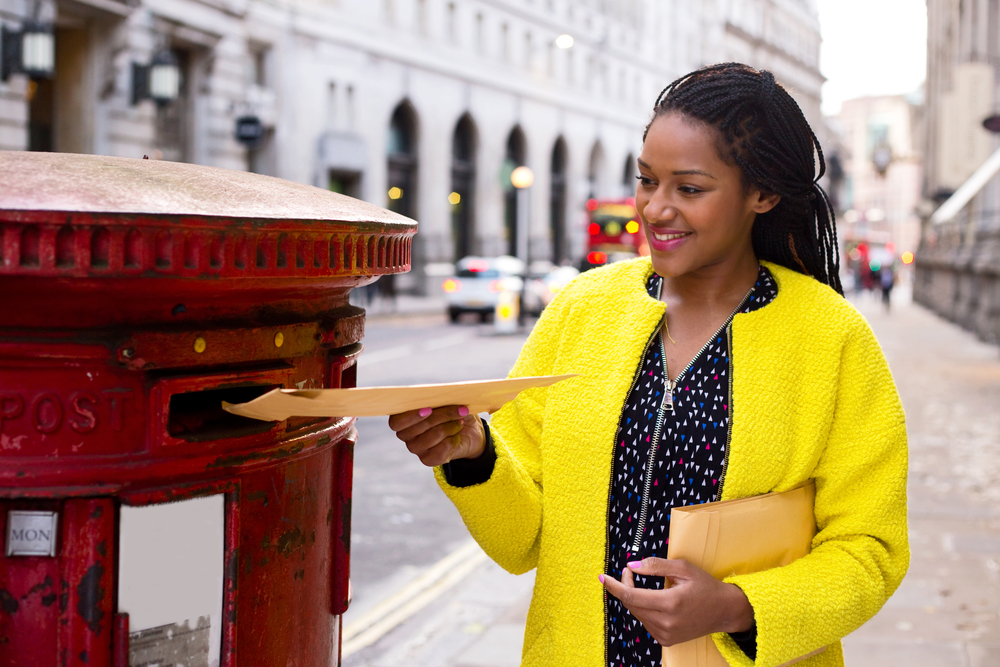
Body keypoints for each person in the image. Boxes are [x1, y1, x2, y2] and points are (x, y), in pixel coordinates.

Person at [389, 63, 908, 667]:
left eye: (689, 189)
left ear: (761, 194)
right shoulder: (583, 309)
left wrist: (739, 605)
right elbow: (524, 539)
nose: (655, 209)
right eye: (645, 180)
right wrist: (473, 455)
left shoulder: (833, 338)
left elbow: (870, 549)